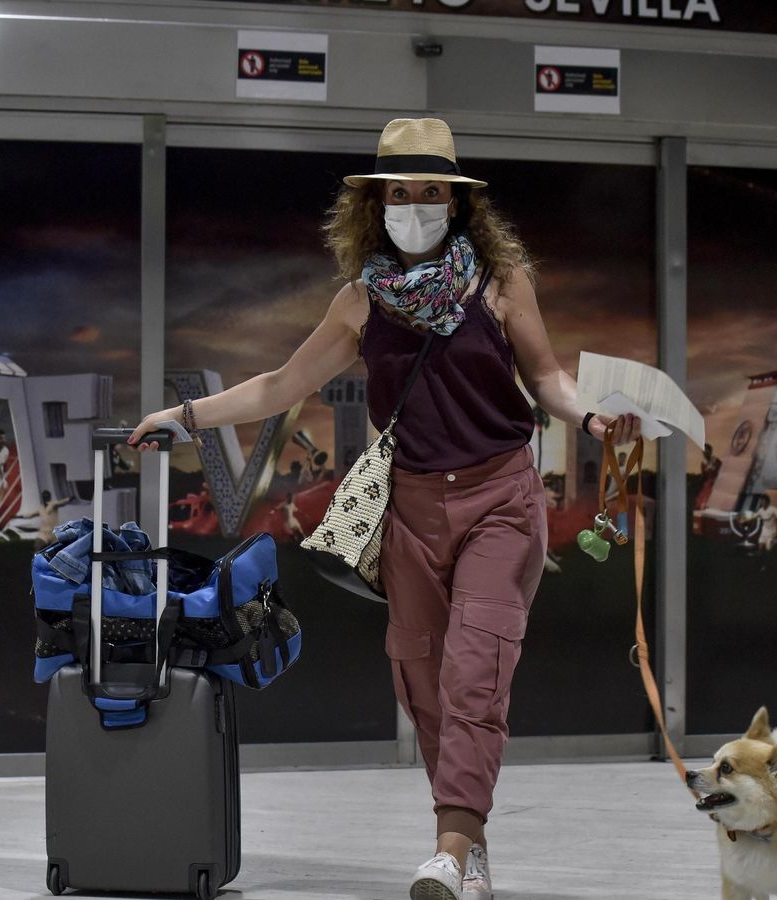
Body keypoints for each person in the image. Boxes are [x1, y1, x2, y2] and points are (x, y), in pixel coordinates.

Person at [131, 118, 638, 900]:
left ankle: (448, 845)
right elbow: (277, 388)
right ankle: (467, 843)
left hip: (501, 499)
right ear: (378, 203)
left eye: (433, 191)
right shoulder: (361, 300)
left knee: (477, 671)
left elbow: (547, 381)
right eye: (401, 192)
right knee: (424, 683)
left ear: (459, 202)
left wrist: (596, 420)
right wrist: (184, 417)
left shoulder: (499, 283)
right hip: (410, 511)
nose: (417, 205)